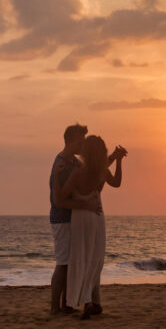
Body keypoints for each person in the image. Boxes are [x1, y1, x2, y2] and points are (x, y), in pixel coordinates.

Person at [59, 135, 126, 319]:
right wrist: (118, 160)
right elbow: (117, 183)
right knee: (94, 258)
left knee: (79, 257)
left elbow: (63, 197)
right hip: (96, 215)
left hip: (80, 216)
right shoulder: (102, 171)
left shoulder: (78, 172)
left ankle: (73, 301)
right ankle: (88, 301)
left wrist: (80, 199)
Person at [48, 123, 101, 315]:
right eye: (81, 140)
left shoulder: (75, 163)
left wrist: (110, 158)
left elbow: (94, 172)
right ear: (72, 141)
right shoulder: (60, 164)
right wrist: (86, 205)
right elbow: (59, 201)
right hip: (61, 219)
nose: (83, 144)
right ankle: (55, 307)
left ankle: (65, 306)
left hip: (72, 219)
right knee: (62, 263)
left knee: (70, 263)